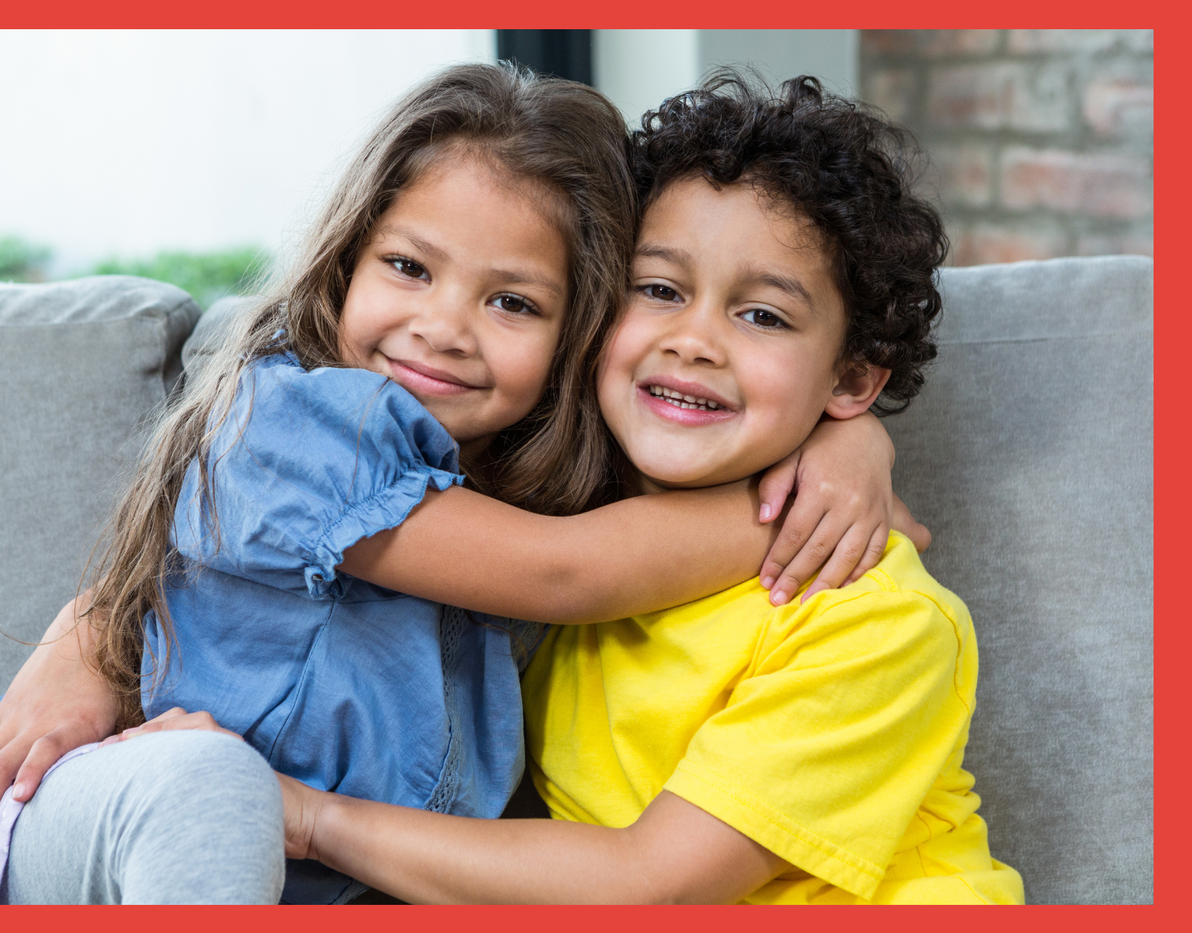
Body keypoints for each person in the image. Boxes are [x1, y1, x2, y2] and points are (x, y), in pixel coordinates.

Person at [0, 64, 914, 906]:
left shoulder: (551, 470)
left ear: (578, 332)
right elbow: (567, 575)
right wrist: (798, 493)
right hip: (101, 816)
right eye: (407, 267)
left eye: (512, 301)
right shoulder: (298, 422)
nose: (443, 326)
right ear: (343, 264)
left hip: (306, 873)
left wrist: (844, 437)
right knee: (216, 785)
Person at [264, 71, 1025, 905]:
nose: (692, 340)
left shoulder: (870, 617)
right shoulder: (550, 508)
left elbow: (649, 886)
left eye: (762, 314)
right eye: (659, 290)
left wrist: (309, 819)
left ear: (849, 376)